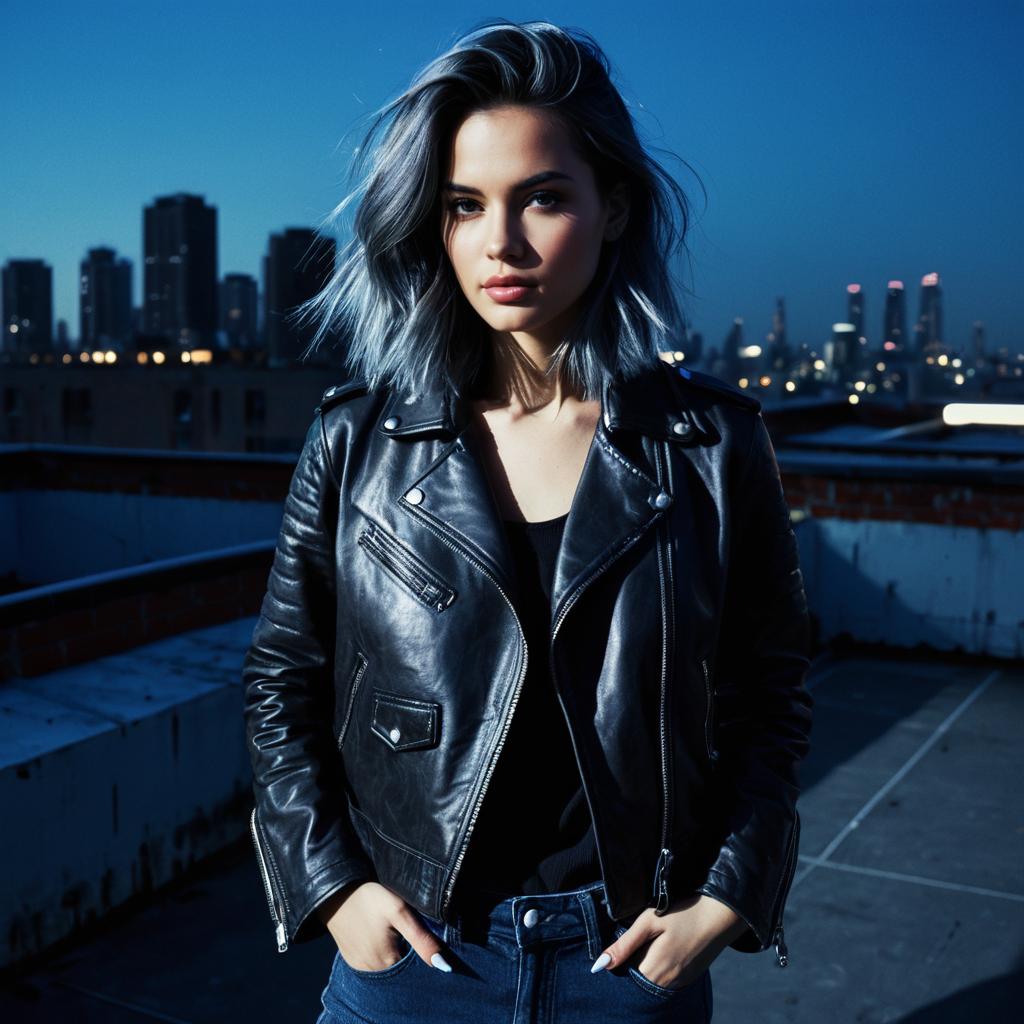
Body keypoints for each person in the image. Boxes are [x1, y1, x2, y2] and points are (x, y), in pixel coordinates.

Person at [242, 18, 814, 1024]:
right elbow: (282, 682)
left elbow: (769, 693)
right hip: (412, 957)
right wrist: (330, 886)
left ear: (615, 207)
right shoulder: (357, 443)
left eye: (543, 197)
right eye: (464, 206)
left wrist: (729, 895)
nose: (499, 243)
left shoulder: (712, 446)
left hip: (630, 959)